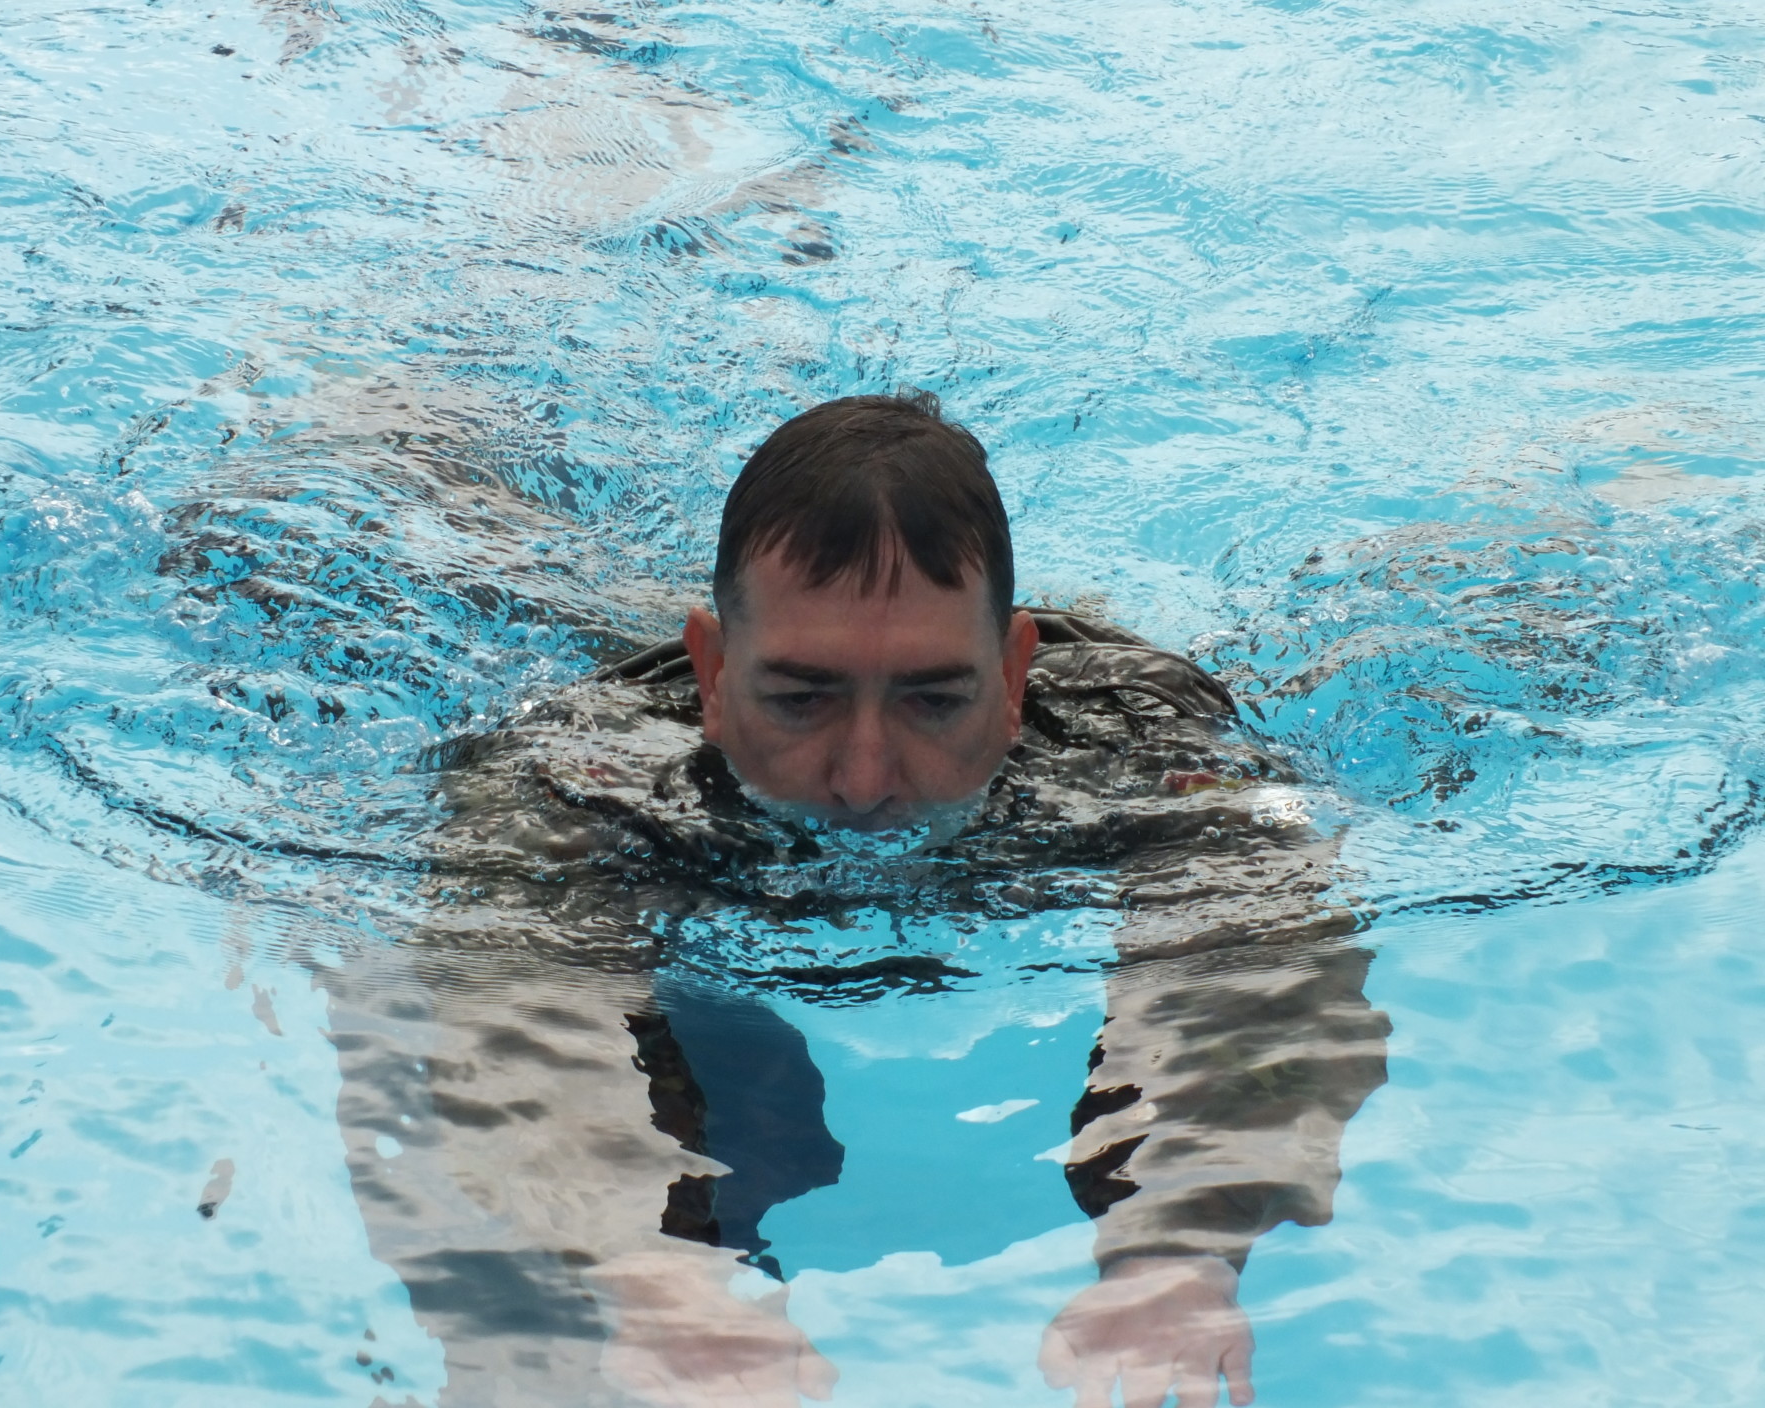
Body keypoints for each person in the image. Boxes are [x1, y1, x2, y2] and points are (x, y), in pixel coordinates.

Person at [320, 393, 1388, 1407]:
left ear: (1016, 677)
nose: (866, 777)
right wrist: (648, 1273)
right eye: (800, 699)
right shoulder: (578, 778)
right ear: (711, 673)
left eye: (934, 699)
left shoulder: (1141, 747)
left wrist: (1181, 1246)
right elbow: (510, 1020)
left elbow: (1262, 967)